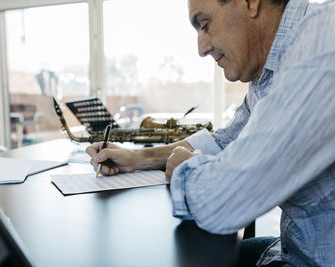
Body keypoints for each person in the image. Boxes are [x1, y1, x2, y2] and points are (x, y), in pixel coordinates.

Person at [86, 0, 335, 265]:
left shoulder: (324, 39)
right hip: (292, 248)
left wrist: (186, 166)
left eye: (205, 25)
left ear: (250, 3)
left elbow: (222, 201)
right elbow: (224, 141)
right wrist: (138, 158)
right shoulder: (269, 72)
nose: (201, 49)